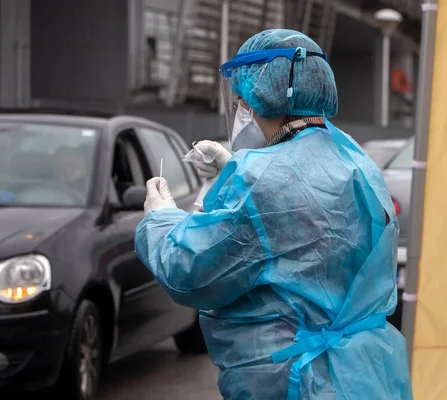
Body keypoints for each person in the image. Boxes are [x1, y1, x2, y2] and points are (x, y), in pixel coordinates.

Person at [135, 29, 413, 399]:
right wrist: (235, 175)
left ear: (257, 99)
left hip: (294, 380)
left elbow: (189, 272)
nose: (238, 112)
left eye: (239, 102)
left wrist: (160, 218)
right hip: (364, 377)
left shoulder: (259, 179)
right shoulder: (356, 161)